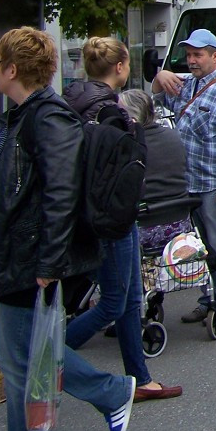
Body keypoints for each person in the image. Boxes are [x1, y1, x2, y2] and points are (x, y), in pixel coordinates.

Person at [0, 27, 137, 431]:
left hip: (29, 257)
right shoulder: (21, 117)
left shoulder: (46, 116)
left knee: (27, 363)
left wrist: (50, 261)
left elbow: (62, 189)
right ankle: (106, 395)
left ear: (12, 69)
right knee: (27, 361)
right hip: (18, 256)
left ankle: (110, 392)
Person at [63, 39, 182, 403]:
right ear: (121, 67)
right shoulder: (114, 112)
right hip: (111, 215)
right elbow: (121, 172)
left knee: (130, 300)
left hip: (97, 213)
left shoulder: (74, 103)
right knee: (115, 301)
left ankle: (140, 377)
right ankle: (52, 355)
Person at [152, 28, 216, 325]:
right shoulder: (186, 85)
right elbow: (154, 104)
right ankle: (207, 299)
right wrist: (159, 78)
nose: (192, 60)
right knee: (198, 247)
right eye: (189, 55)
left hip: (213, 182)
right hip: (188, 184)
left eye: (198, 54)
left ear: (214, 56)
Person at [117, 89, 189, 240]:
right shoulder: (174, 135)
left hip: (145, 224)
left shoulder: (128, 144)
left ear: (131, 117)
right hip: (180, 222)